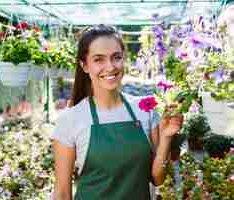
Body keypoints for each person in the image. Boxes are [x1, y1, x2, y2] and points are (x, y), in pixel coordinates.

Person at [51, 25, 183, 200]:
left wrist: (166, 137)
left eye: (116, 57)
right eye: (99, 59)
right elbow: (62, 193)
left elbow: (157, 179)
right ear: (84, 65)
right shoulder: (71, 119)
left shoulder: (144, 110)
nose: (110, 67)